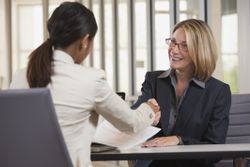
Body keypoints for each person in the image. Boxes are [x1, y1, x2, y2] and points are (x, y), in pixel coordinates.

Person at [9, 2, 160, 167]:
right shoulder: (91, 79)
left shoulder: (21, 75)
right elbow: (132, 123)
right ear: (85, 41)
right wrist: (148, 110)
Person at [132, 19, 231, 167]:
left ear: (200, 50)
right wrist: (144, 111)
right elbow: (130, 123)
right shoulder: (153, 81)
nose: (174, 50)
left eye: (184, 45)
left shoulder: (218, 91)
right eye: (173, 42)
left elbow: (215, 149)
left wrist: (180, 140)